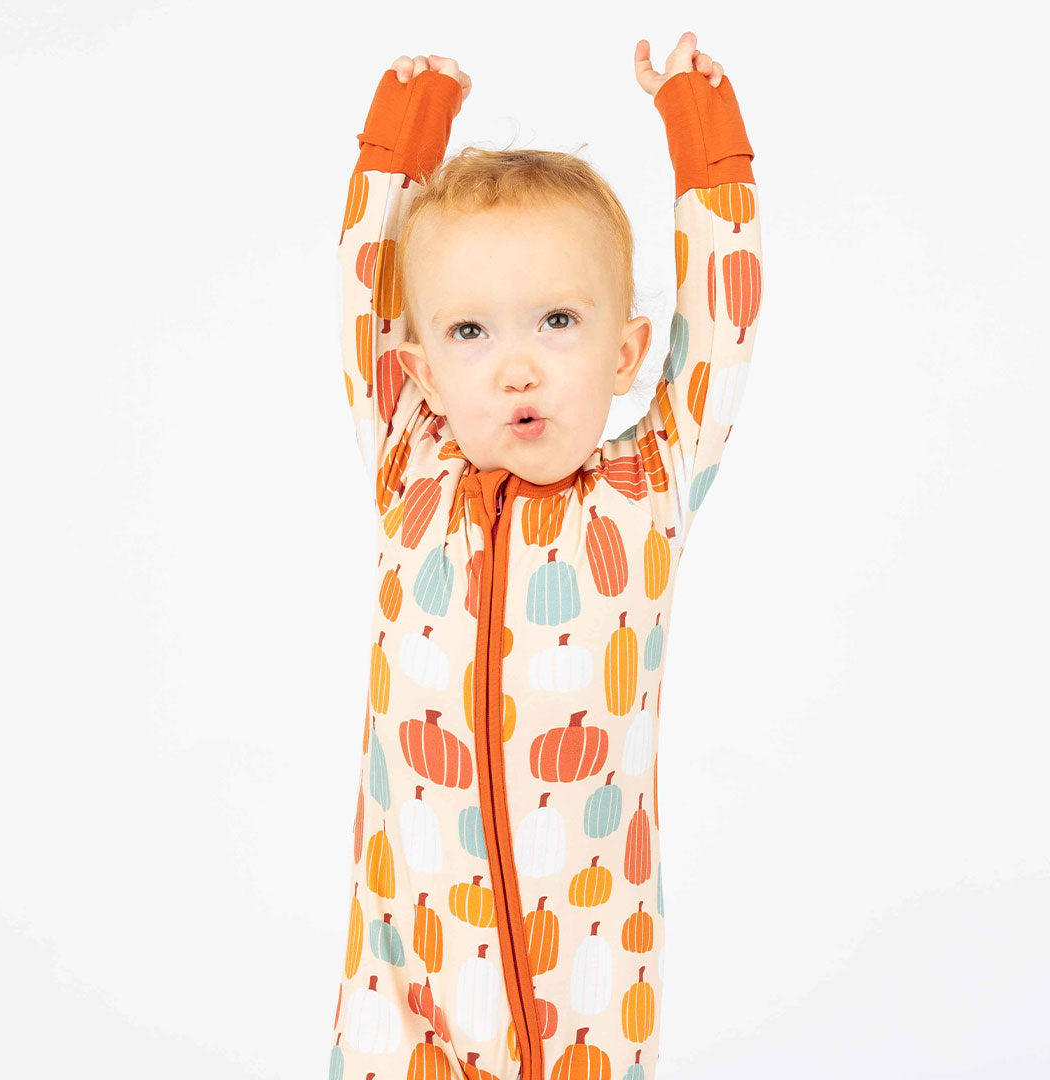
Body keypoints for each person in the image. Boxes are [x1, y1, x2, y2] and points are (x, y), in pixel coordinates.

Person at [329, 30, 762, 1080]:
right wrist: (399, 149)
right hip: (405, 982)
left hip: (591, 992)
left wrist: (708, 150)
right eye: (470, 332)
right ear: (422, 369)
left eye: (557, 321)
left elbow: (722, 325)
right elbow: (363, 295)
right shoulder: (411, 468)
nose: (516, 365)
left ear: (623, 354)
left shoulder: (644, 493)